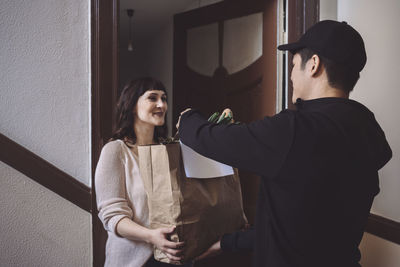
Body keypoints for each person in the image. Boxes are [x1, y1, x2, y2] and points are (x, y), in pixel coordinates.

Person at [177, 20, 392, 267]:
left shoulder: (296, 130)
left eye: (292, 65)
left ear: (313, 65)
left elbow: (209, 139)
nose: (290, 75)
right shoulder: (365, 130)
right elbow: (300, 224)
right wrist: (227, 243)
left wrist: (188, 119)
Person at [95, 77, 191, 267]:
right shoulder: (116, 151)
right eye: (152, 98)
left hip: (174, 258)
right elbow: (112, 217)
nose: (161, 104)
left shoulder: (170, 151)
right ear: (132, 106)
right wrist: (151, 236)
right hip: (135, 261)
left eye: (164, 99)